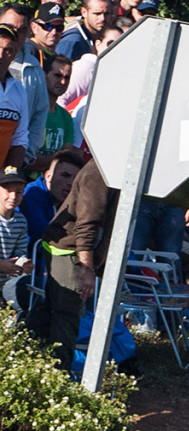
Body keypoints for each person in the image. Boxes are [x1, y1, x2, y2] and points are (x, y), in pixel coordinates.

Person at [26, 158, 118, 369]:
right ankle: (58, 376)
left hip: (74, 250)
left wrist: (101, 255)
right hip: (67, 250)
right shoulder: (99, 171)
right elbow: (86, 223)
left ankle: (24, 357)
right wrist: (86, 269)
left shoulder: (116, 169)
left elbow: (113, 221)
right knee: (67, 314)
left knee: (51, 310)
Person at [2, 2, 47, 164]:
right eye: (8, 27)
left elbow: (39, 117)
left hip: (16, 162)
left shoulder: (34, 68)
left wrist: (25, 158)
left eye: (21, 31)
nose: (14, 34)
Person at [21, 146, 81, 245]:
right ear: (48, 176)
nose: (70, 183)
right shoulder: (32, 193)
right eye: (65, 175)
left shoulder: (68, 200)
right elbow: (43, 234)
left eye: (75, 180)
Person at [24, 53, 72, 176]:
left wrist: (45, 160)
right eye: (57, 75)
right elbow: (25, 158)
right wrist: (55, 159)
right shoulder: (30, 109)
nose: (63, 82)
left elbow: (67, 159)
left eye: (67, 77)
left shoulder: (66, 117)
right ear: (44, 75)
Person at [0, 165, 32, 311]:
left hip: (6, 281)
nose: (13, 197)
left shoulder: (21, 221)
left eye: (18, 192)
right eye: (8, 191)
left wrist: (24, 263)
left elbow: (19, 252)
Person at [0, 23, 29, 169]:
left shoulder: (18, 89)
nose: (0, 55)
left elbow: (20, 138)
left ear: (15, 53)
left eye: (7, 50)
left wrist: (9, 178)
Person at [27, 3, 64, 74]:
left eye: (59, 27)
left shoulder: (53, 56)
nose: (54, 32)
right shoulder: (28, 51)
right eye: (48, 26)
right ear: (34, 27)